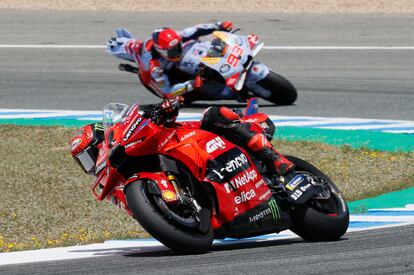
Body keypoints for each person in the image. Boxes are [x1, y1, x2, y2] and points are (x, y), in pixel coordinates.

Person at [146, 97, 295, 178]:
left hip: (206, 140)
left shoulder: (156, 128)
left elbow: (164, 113)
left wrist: (165, 108)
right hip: (202, 171)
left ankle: (276, 159)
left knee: (211, 114)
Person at [107, 21, 233, 98]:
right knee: (173, 97)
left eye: (178, 46)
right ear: (161, 50)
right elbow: (166, 90)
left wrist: (218, 26)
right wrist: (192, 84)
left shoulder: (176, 37)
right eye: (173, 50)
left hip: (158, 56)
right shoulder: (154, 67)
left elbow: (197, 29)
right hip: (153, 80)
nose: (177, 50)